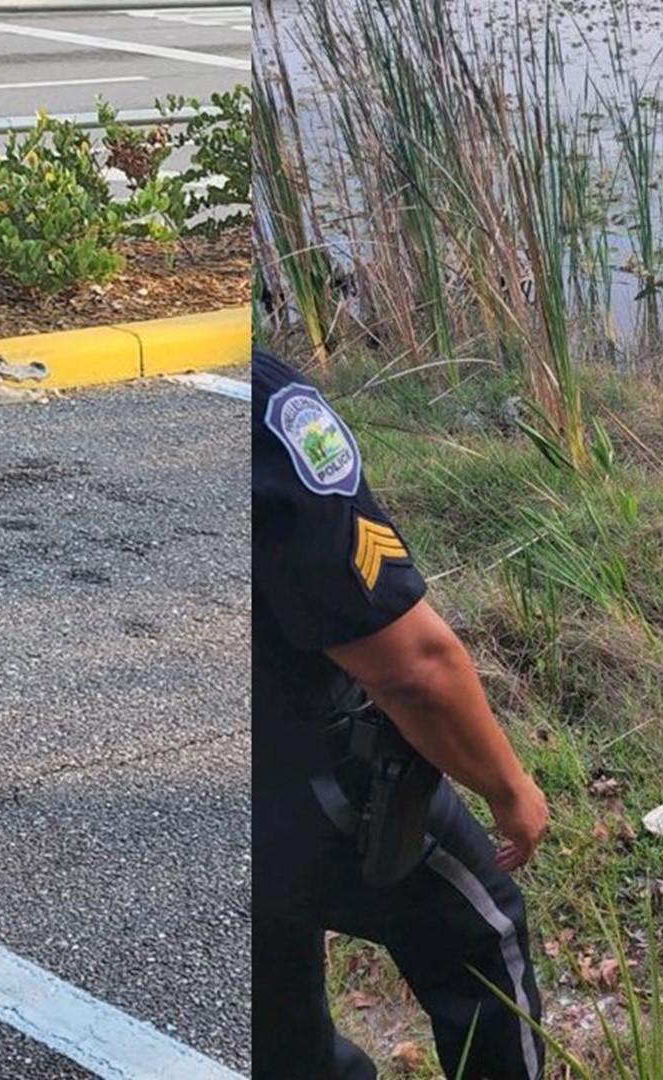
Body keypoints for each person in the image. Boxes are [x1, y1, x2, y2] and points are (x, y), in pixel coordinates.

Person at [253, 348, 550, 1080]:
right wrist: (511, 792)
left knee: (268, 968)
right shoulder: (266, 405)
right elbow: (415, 665)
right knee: (484, 935)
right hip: (305, 781)